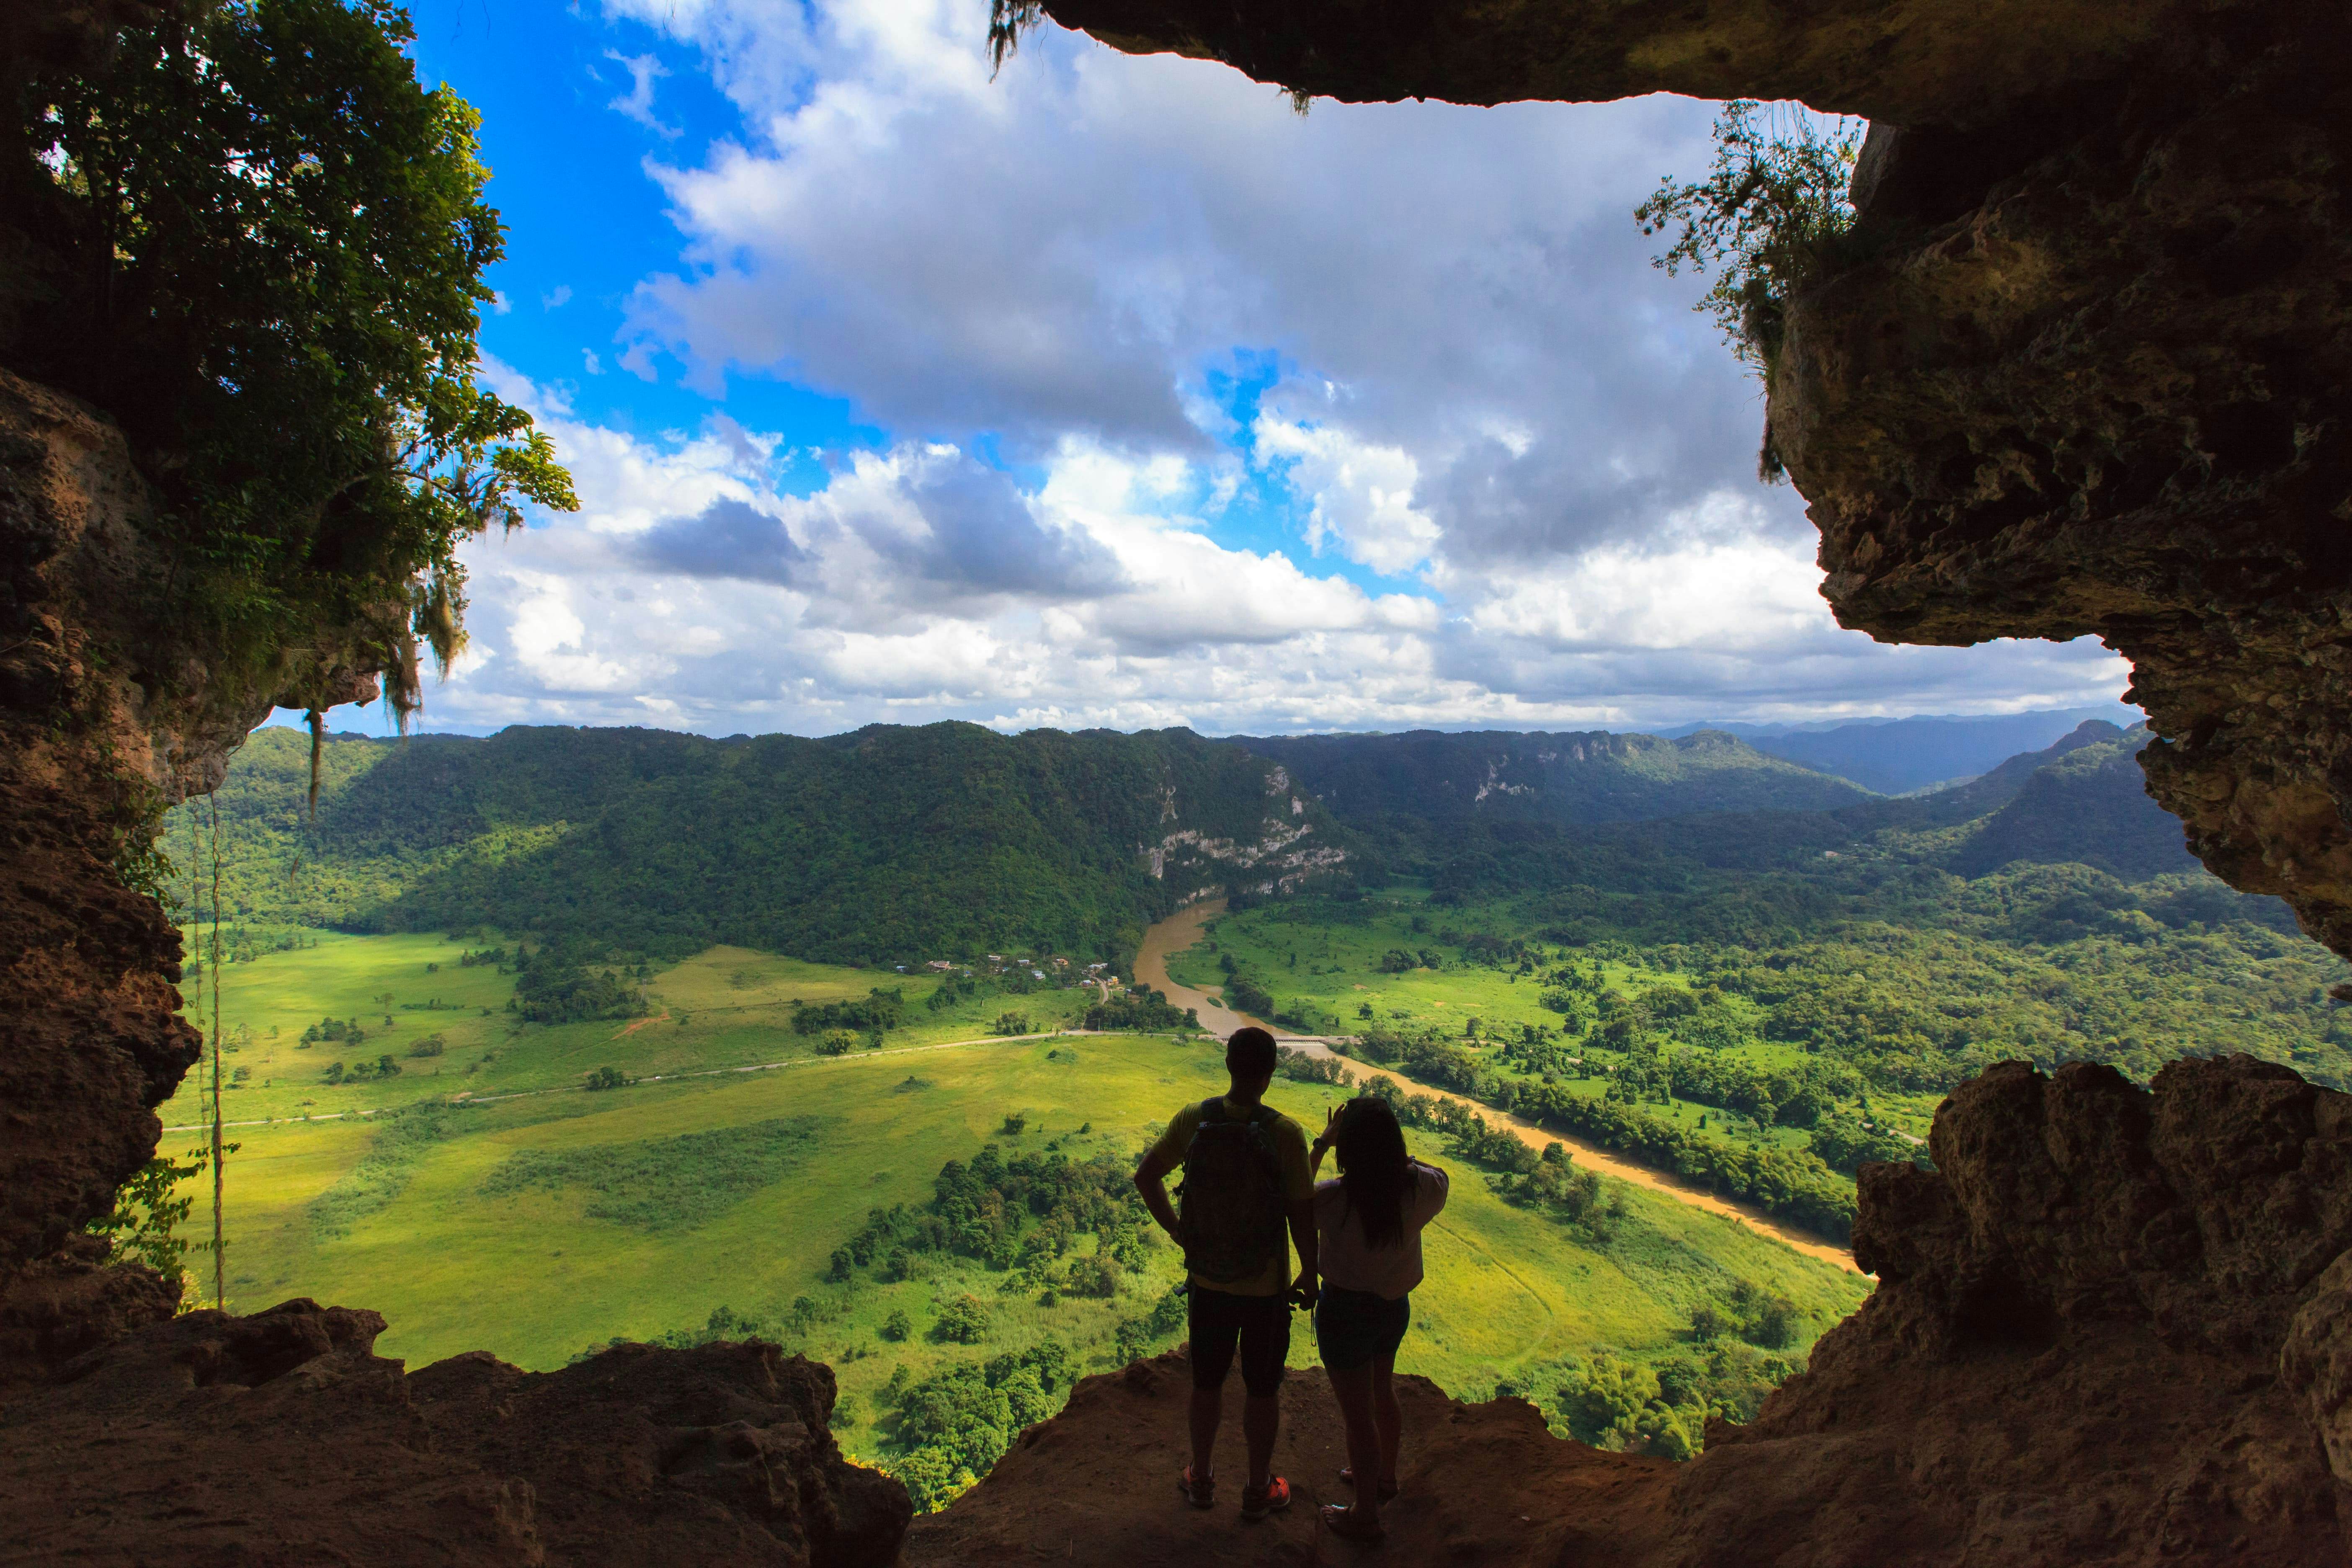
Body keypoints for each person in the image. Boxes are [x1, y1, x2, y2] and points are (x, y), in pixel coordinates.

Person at [1134, 1025, 1318, 1521]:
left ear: (1229, 1066)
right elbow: (1301, 1214)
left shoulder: (1196, 1119)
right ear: (1270, 1073)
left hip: (1209, 1283)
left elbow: (1146, 1177)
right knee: (1262, 1390)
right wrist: (1311, 1274)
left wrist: (1179, 1234)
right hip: (1266, 1289)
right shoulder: (1285, 1133)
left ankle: (1202, 1479)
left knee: (1207, 1384)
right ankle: (1258, 1490)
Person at [1308, 1094, 1449, 1542]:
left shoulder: (1333, 1199)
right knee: (1382, 1391)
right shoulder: (1423, 1191)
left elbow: (1292, 1196)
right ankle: (1385, 1477)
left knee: (1357, 1418)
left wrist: (1322, 1144)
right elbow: (1437, 1173)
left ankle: (1364, 1516)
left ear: (1347, 1148)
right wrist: (1399, 1157)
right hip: (1393, 1308)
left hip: (1345, 1311)